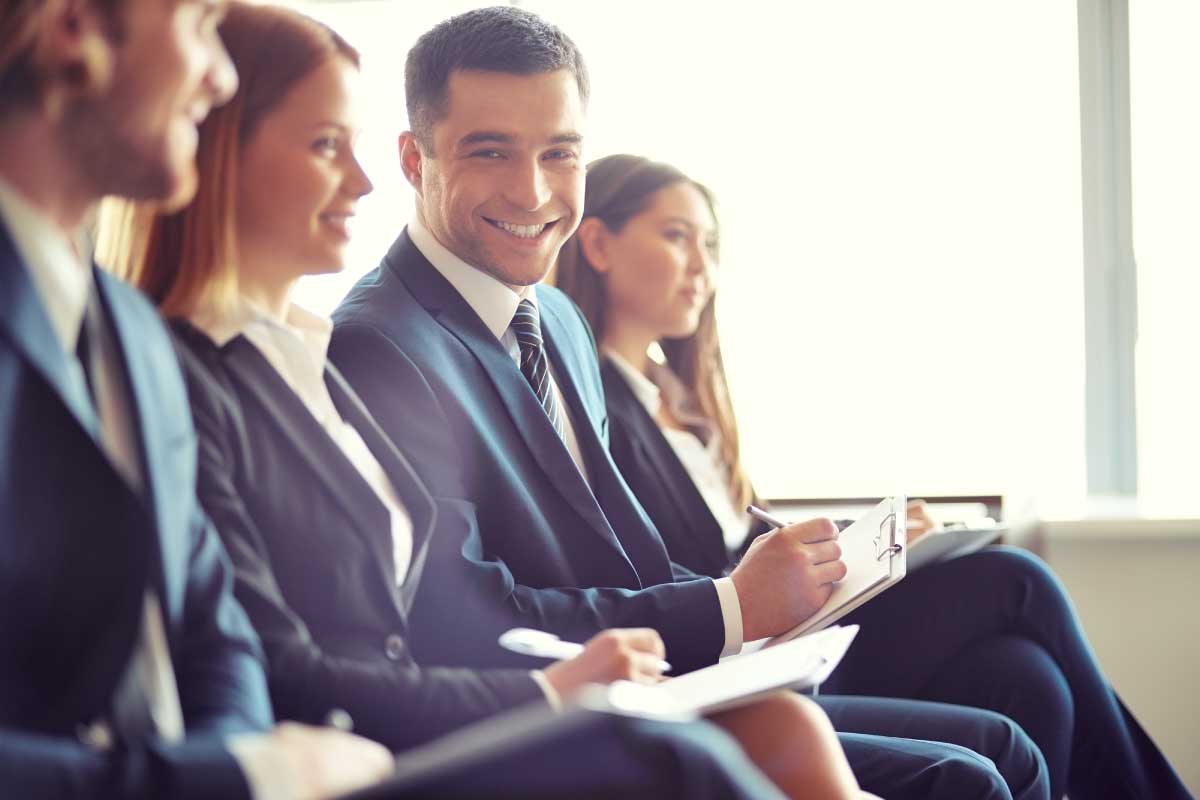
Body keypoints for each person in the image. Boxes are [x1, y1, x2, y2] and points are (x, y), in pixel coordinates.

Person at [110, 5, 876, 798]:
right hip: (404, 737)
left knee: (815, 725)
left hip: (551, 686)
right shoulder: (354, 345)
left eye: (559, 153)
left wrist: (738, 618)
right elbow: (378, 635)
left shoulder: (309, 354)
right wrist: (565, 683)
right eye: (324, 145)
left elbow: (605, 553)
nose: (361, 180)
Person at [329, 7, 1050, 800]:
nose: (532, 190)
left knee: (1003, 733)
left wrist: (780, 594)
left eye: (559, 153)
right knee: (973, 771)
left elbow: (618, 552)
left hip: (672, 681)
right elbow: (461, 615)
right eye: (490, 151)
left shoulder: (559, 320)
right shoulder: (379, 346)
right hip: (559, 720)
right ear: (412, 156)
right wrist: (728, 606)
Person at [554, 152, 1195, 800]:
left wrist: (871, 547)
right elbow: (683, 575)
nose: (702, 265)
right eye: (675, 236)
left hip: (788, 627)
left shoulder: (683, 402)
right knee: (1017, 581)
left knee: (1025, 676)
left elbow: (744, 543)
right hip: (750, 655)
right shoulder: (595, 408)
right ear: (600, 244)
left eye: (710, 244)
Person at [0, 1, 394, 798]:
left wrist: (245, 767)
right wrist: (239, 778)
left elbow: (219, 635)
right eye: (200, 24)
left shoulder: (136, 335)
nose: (219, 80)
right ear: (74, 27)